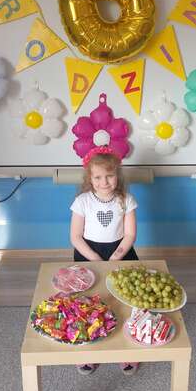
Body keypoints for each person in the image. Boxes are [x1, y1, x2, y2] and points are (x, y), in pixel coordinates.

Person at [70, 146, 139, 376]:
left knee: (124, 300)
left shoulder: (126, 200)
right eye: (98, 177)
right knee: (89, 302)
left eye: (109, 176)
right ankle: (88, 350)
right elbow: (75, 237)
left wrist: (115, 258)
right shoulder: (82, 201)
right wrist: (96, 260)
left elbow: (129, 234)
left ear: (117, 175)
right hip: (89, 254)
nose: (104, 182)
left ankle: (125, 348)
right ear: (90, 178)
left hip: (119, 252)